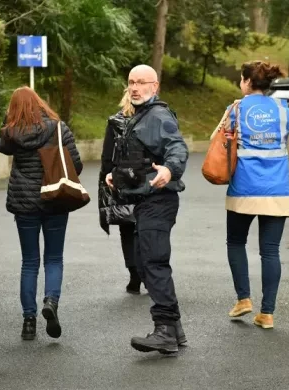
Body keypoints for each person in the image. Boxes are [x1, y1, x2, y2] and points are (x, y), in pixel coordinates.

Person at [105, 64, 189, 354]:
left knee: (153, 263)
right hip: (142, 202)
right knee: (145, 263)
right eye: (131, 82)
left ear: (155, 87)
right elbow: (134, 158)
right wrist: (114, 175)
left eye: (142, 83)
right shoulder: (139, 116)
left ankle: (164, 330)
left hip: (158, 201)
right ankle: (175, 330)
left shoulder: (159, 116)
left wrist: (170, 169)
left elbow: (177, 148)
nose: (135, 87)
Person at [212, 60, 289, 329]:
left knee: (236, 242)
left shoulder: (236, 108)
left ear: (247, 82)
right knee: (270, 251)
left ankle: (244, 299)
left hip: (243, 188)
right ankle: (267, 313)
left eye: (241, 78)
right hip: (278, 190)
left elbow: (217, 141)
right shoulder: (283, 110)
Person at [0, 86, 83, 341]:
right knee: (54, 258)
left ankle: (29, 321)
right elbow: (74, 163)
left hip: (24, 204)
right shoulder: (57, 127)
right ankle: (51, 302)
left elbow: (1, 146)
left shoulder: (11, 132)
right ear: (39, 103)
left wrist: (8, 119)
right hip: (54, 199)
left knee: (29, 261)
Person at [98, 88, 142, 294]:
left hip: (121, 180)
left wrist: (106, 178)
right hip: (144, 178)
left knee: (126, 227)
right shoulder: (149, 119)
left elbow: (107, 156)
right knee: (145, 227)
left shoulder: (114, 123)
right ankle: (146, 271)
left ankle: (134, 273)